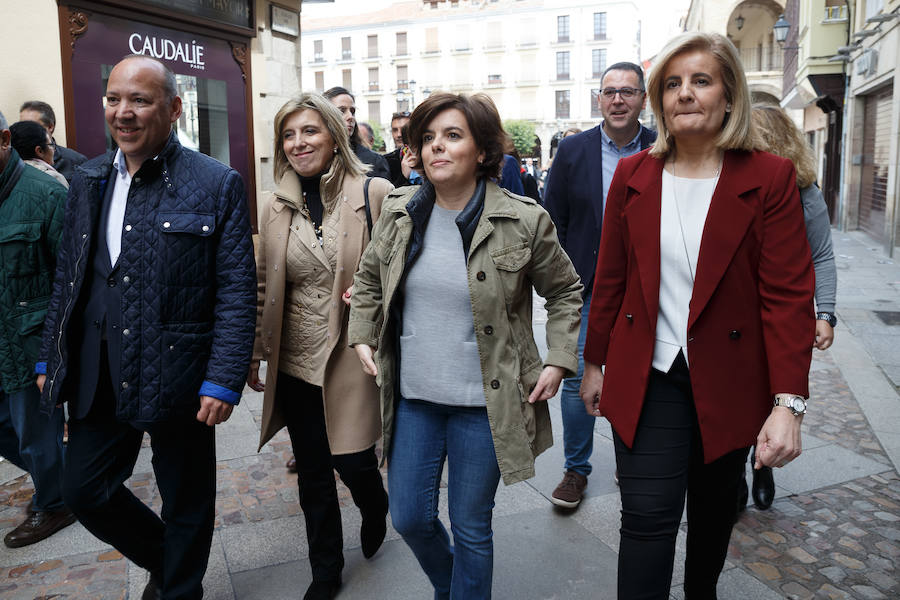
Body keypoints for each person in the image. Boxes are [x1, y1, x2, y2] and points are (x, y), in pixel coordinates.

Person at [579, 32, 815, 598]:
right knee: (645, 521)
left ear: (728, 96)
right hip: (648, 374)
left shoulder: (769, 177)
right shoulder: (633, 176)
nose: (685, 94)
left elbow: (786, 297)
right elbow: (610, 279)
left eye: (701, 81)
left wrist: (788, 404)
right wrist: (594, 363)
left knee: (711, 519)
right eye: (673, 84)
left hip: (730, 376)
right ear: (659, 101)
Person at [36, 55, 256, 599]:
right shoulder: (85, 179)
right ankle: (172, 560)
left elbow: (234, 290)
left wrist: (224, 377)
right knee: (84, 489)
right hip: (98, 368)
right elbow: (67, 279)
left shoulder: (215, 183)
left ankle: (178, 589)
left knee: (186, 497)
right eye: (114, 99)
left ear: (175, 108)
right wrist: (49, 359)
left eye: (140, 100)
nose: (123, 112)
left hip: (179, 369)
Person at [349, 92, 582, 599]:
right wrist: (363, 334)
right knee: (409, 517)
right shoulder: (399, 211)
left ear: (481, 151)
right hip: (415, 398)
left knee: (471, 527)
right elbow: (368, 280)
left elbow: (565, 291)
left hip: (486, 404)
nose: (436, 148)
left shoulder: (523, 219)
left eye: (452, 136)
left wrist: (561, 358)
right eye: (427, 138)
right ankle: (456, 587)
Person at [246, 92, 393, 600]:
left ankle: (375, 505)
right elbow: (262, 280)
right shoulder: (272, 203)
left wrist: (372, 291)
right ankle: (325, 571)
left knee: (352, 459)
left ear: (335, 135)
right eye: (288, 134)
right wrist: (253, 350)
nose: (298, 143)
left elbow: (399, 266)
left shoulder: (374, 191)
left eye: (309, 131)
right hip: (295, 356)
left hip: (353, 351)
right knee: (312, 471)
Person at [543, 62, 657, 508]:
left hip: (650, 285)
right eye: (609, 92)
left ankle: (636, 461)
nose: (617, 99)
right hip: (587, 286)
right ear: (599, 99)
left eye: (628, 91)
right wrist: (565, 278)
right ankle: (576, 470)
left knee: (647, 376)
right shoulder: (574, 152)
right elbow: (554, 220)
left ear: (643, 100)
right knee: (577, 380)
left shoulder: (663, 147)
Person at [737, 103, 838, 511]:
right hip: (740, 309)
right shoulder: (734, 182)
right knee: (736, 393)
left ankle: (762, 465)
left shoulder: (804, 189)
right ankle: (733, 471)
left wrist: (825, 313)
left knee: (772, 393)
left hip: (785, 312)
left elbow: (823, 256)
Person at [0, 111, 74, 548]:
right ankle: (57, 477)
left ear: (6, 139)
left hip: (32, 343)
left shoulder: (47, 193)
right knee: (13, 434)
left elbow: (70, 282)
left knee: (37, 433)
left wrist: (54, 353)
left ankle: (55, 501)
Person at [323, 87, 391, 181]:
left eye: (352, 111)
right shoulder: (314, 158)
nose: (350, 117)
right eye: (342, 111)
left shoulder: (373, 161)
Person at [19, 100, 87, 183]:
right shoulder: (14, 160)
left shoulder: (75, 161)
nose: (24, 131)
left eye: (31, 126)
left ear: (50, 127)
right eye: (21, 125)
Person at [10, 120, 69, 188]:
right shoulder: (54, 178)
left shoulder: (7, 176)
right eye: (51, 145)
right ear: (40, 151)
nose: (54, 149)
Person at [383, 110, 413, 187]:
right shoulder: (385, 161)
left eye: (404, 129)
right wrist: (403, 177)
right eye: (395, 130)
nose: (399, 134)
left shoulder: (426, 156)